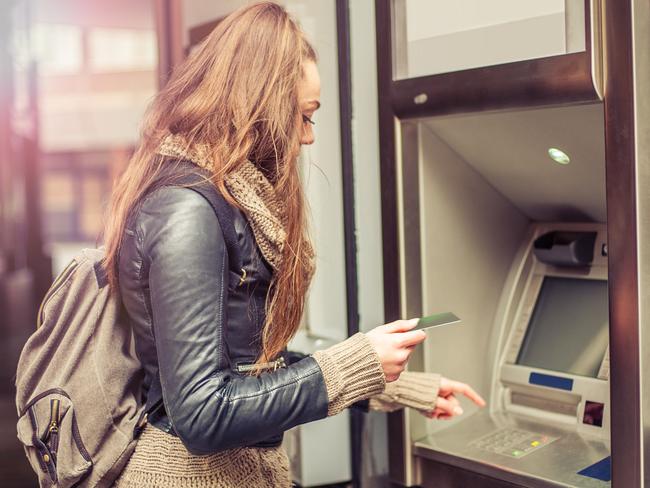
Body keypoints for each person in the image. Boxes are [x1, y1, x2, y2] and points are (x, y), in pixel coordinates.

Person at [101, 3, 485, 487]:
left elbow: (246, 367)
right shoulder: (188, 210)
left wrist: (394, 385)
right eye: (303, 117)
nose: (307, 137)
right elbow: (201, 413)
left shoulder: (222, 199)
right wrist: (355, 363)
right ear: (258, 108)